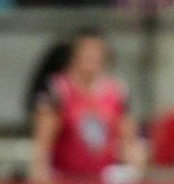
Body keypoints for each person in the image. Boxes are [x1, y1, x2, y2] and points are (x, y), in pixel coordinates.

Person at [30, 28, 145, 182]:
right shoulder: (57, 90)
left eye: (97, 53)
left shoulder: (117, 91)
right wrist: (40, 174)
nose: (92, 57)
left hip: (104, 177)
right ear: (74, 56)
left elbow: (129, 140)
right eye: (86, 52)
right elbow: (42, 146)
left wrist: (134, 167)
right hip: (65, 177)